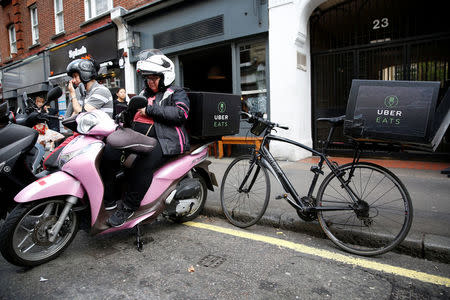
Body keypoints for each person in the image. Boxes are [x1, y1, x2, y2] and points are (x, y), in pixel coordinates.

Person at [103, 49, 190, 227]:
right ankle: (110, 198)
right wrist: (126, 115)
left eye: (154, 78)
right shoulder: (144, 93)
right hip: (138, 137)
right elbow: (131, 115)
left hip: (165, 141)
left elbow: (181, 114)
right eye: (148, 78)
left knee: (142, 164)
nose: (150, 82)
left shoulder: (176, 92)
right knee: (108, 152)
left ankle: (129, 207)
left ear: (165, 76)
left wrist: (150, 110)